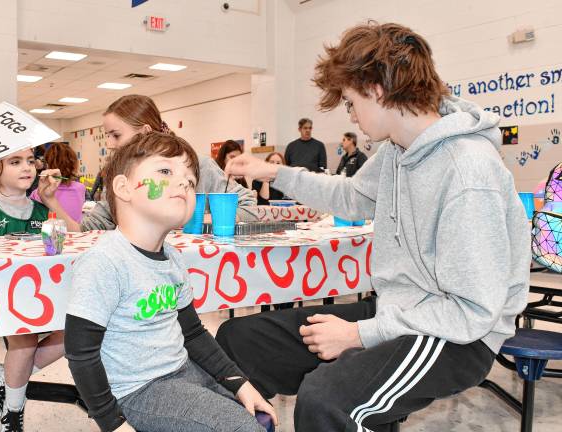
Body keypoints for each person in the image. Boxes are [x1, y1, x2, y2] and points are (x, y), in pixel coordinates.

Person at [218, 22, 531, 432]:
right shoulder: (398, 152)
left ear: (376, 90)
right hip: (401, 311)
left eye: (350, 102)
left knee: (328, 400)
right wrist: (273, 173)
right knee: (239, 342)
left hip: (459, 337)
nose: (351, 115)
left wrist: (359, 334)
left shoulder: (467, 169)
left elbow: (472, 310)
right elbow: (352, 197)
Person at [64, 132, 277, 432]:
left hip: (183, 370)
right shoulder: (105, 261)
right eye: (165, 171)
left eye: (191, 181)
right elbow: (80, 352)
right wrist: (113, 424)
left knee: (260, 418)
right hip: (141, 390)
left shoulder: (172, 257)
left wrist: (240, 383)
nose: (183, 183)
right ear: (124, 188)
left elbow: (193, 334)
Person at [40, 94, 257, 232]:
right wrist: (51, 200)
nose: (109, 144)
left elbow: (249, 209)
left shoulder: (199, 166)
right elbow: (85, 230)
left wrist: (197, 218)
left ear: (144, 132)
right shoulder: (118, 176)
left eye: (116, 135)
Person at [0, 148, 64, 432]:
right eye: (15, 162)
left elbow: (67, 246)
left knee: (82, 330)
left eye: (30, 161)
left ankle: (1, 375)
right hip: (4, 301)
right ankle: (13, 413)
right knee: (25, 336)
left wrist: (51, 200)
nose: (27, 168)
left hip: (46, 296)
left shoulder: (44, 211)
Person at [30, 142, 86, 223]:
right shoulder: (80, 188)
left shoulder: (38, 193)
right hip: (75, 233)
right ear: (73, 164)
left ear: (48, 164)